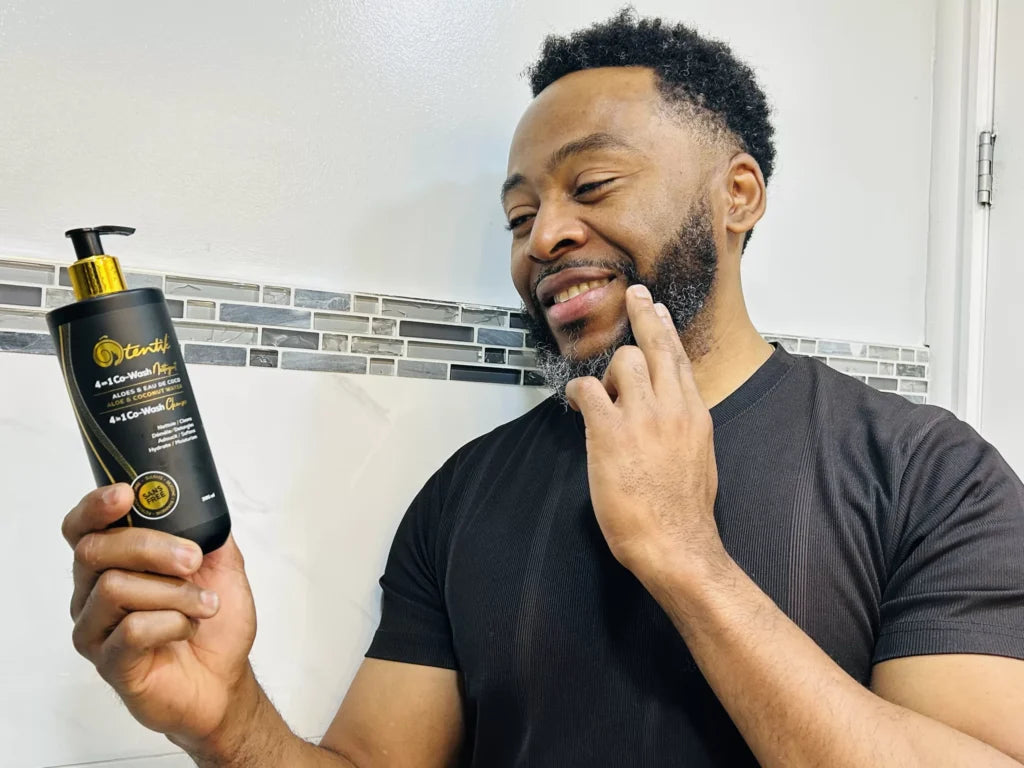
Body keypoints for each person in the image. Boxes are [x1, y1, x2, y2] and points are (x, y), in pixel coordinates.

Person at [61, 10, 1024, 767]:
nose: (545, 237)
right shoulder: (465, 494)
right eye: (520, 216)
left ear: (738, 195)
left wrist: (689, 562)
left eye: (592, 186)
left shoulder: (927, 472)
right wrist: (224, 718)